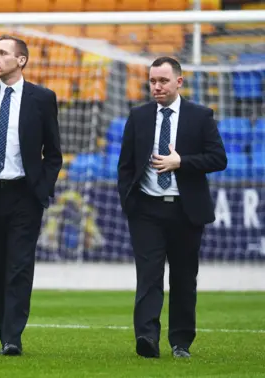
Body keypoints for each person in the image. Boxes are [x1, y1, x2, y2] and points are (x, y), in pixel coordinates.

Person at [0, 35, 63, 356]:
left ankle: (12, 336)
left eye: (3, 53)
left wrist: (40, 191)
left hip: (24, 196)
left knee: (19, 266)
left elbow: (54, 153)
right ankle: (4, 326)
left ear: (21, 60)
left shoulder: (43, 98)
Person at [117, 56, 227, 359]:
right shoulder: (138, 116)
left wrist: (182, 162)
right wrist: (129, 202)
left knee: (183, 277)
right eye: (152, 81)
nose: (156, 86)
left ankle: (180, 342)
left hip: (185, 211)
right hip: (146, 211)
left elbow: (219, 159)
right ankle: (147, 338)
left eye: (163, 81)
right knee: (149, 275)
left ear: (179, 81)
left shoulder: (200, 116)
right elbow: (125, 165)